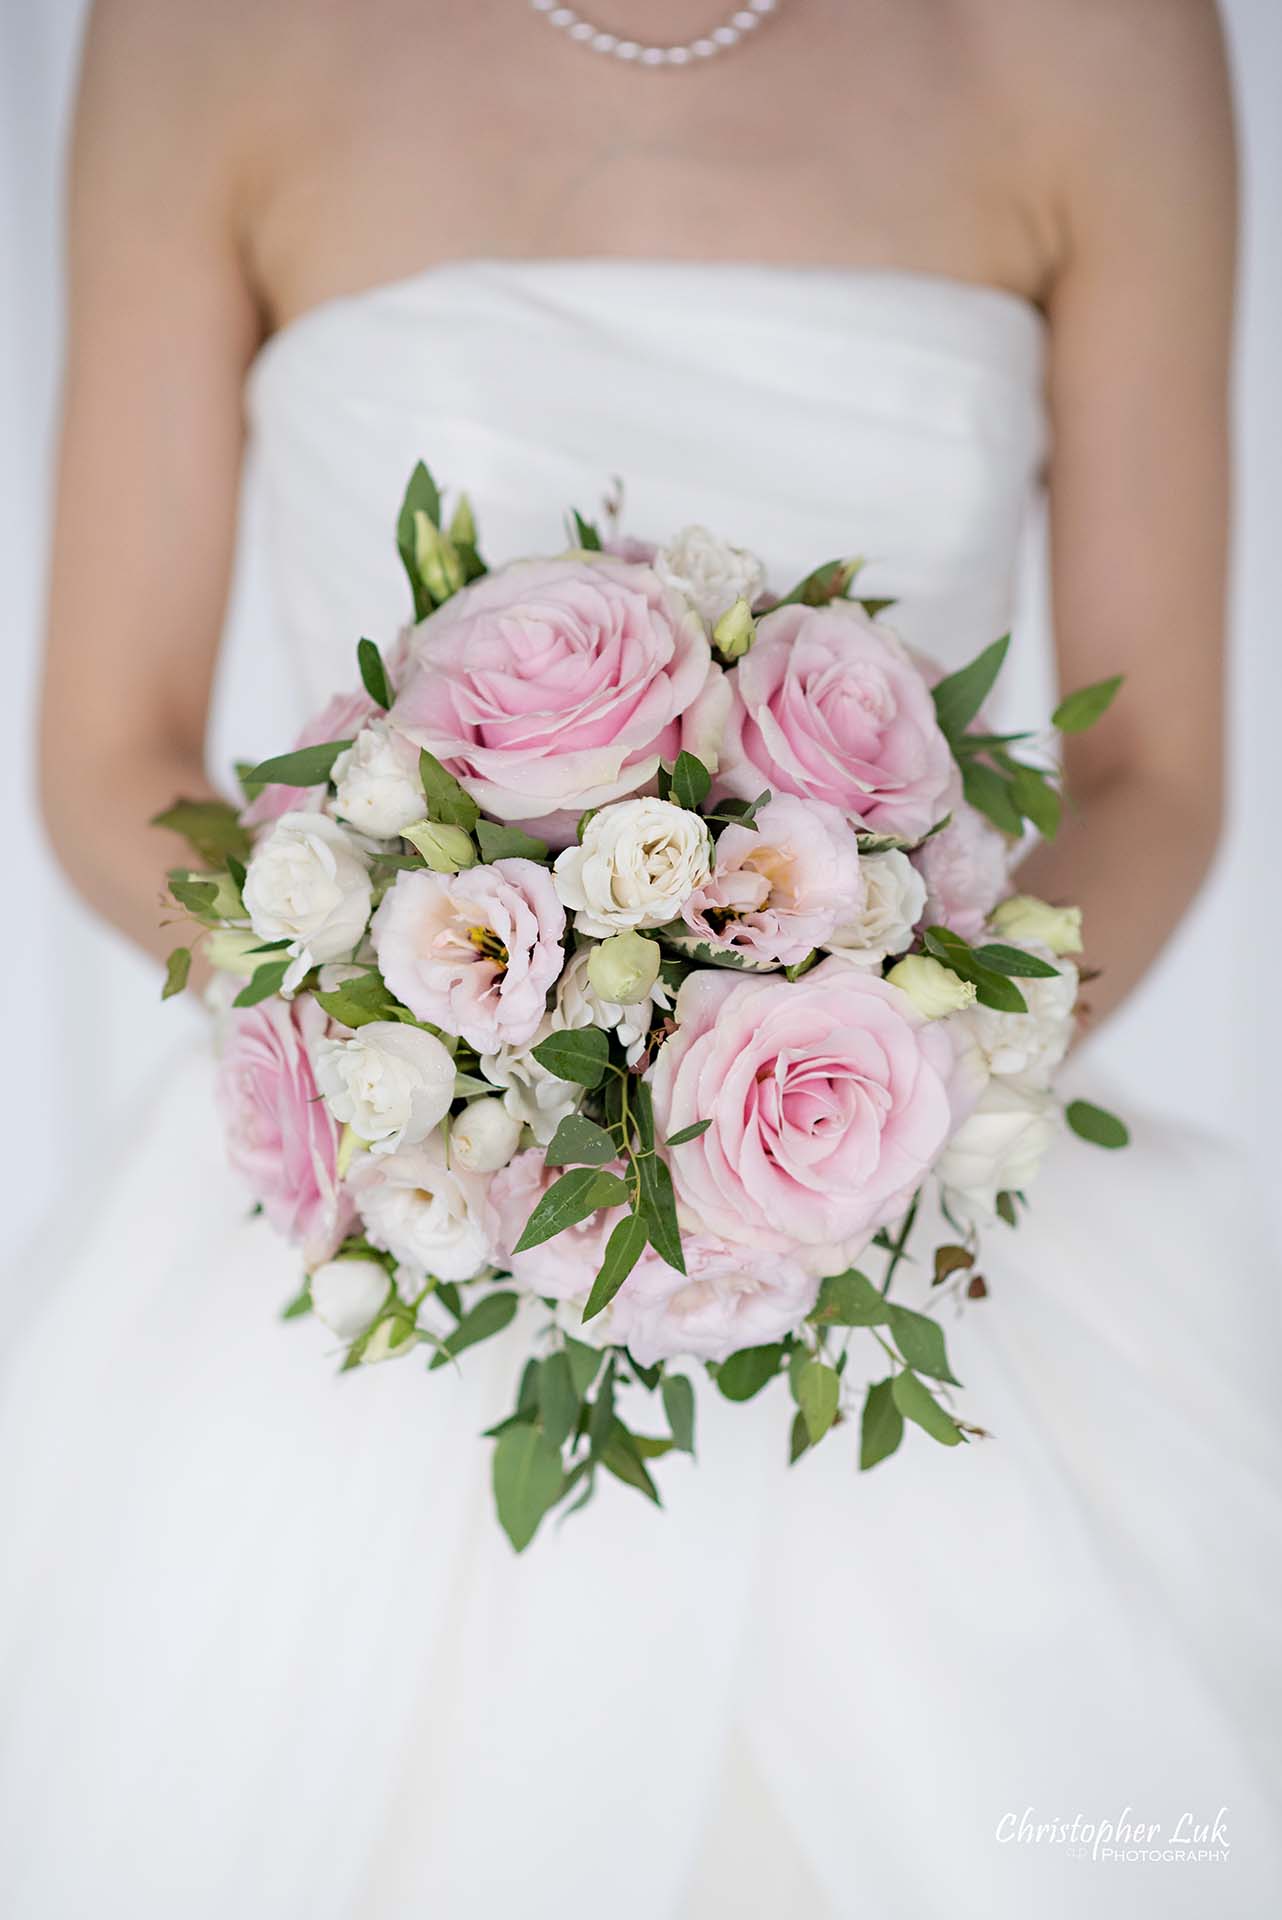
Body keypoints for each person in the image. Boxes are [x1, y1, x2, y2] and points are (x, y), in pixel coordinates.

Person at [4, 1, 1278, 1914]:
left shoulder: (1102, 38)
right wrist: (422, 1048)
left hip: (916, 1212)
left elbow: (1151, 774)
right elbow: (108, 755)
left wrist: (876, 1108)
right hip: (388, 1216)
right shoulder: (199, 32)